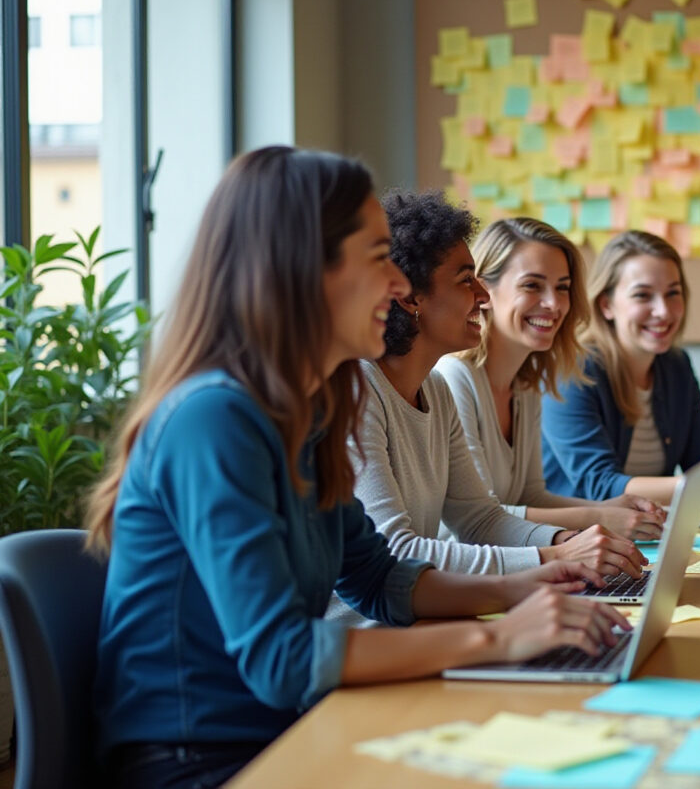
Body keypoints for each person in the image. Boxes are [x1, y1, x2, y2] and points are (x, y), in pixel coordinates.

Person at [89, 148, 626, 789]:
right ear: (303, 270)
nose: (398, 285)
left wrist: (532, 588)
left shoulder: (311, 410)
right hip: (204, 762)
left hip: (290, 728)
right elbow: (283, 659)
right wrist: (499, 638)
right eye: (377, 258)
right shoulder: (214, 419)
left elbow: (377, 576)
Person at [336, 193, 645, 618]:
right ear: (409, 297)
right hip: (371, 640)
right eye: (467, 280)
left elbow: (479, 519)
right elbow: (396, 554)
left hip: (424, 622)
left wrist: (563, 543)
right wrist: (553, 558)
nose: (484, 295)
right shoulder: (358, 392)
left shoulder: (435, 390)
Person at [437, 216, 667, 540]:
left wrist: (611, 507)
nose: (553, 303)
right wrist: (598, 516)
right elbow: (479, 519)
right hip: (466, 565)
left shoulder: (526, 385)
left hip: (516, 561)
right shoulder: (454, 377)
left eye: (562, 288)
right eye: (532, 285)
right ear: (483, 290)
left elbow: (530, 496)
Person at [541, 230, 700, 505]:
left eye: (673, 293)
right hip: (579, 528)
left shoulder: (676, 366)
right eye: (643, 295)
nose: (664, 311)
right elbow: (600, 486)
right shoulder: (573, 371)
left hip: (651, 525)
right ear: (606, 305)